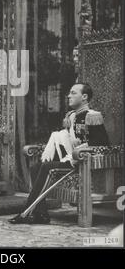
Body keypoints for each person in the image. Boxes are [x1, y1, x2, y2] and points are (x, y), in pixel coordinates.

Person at [9, 83, 109, 224]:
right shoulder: (71, 116)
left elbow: (103, 144)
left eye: (73, 93)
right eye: (69, 92)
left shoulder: (92, 116)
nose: (69, 96)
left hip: (84, 164)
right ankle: (41, 215)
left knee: (46, 167)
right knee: (35, 167)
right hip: (71, 160)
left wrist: (82, 148)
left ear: (85, 97)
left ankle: (26, 213)